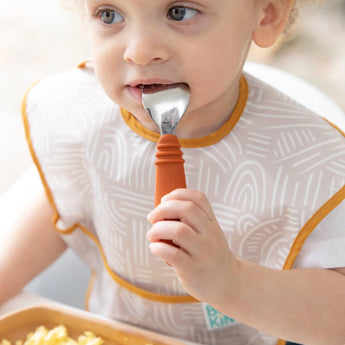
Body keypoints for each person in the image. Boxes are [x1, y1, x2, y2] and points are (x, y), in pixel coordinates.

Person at [1, 0, 345, 344]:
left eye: (179, 12)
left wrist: (233, 282)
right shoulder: (83, 120)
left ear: (267, 14)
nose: (139, 51)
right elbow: (49, 211)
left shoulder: (310, 161)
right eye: (110, 15)